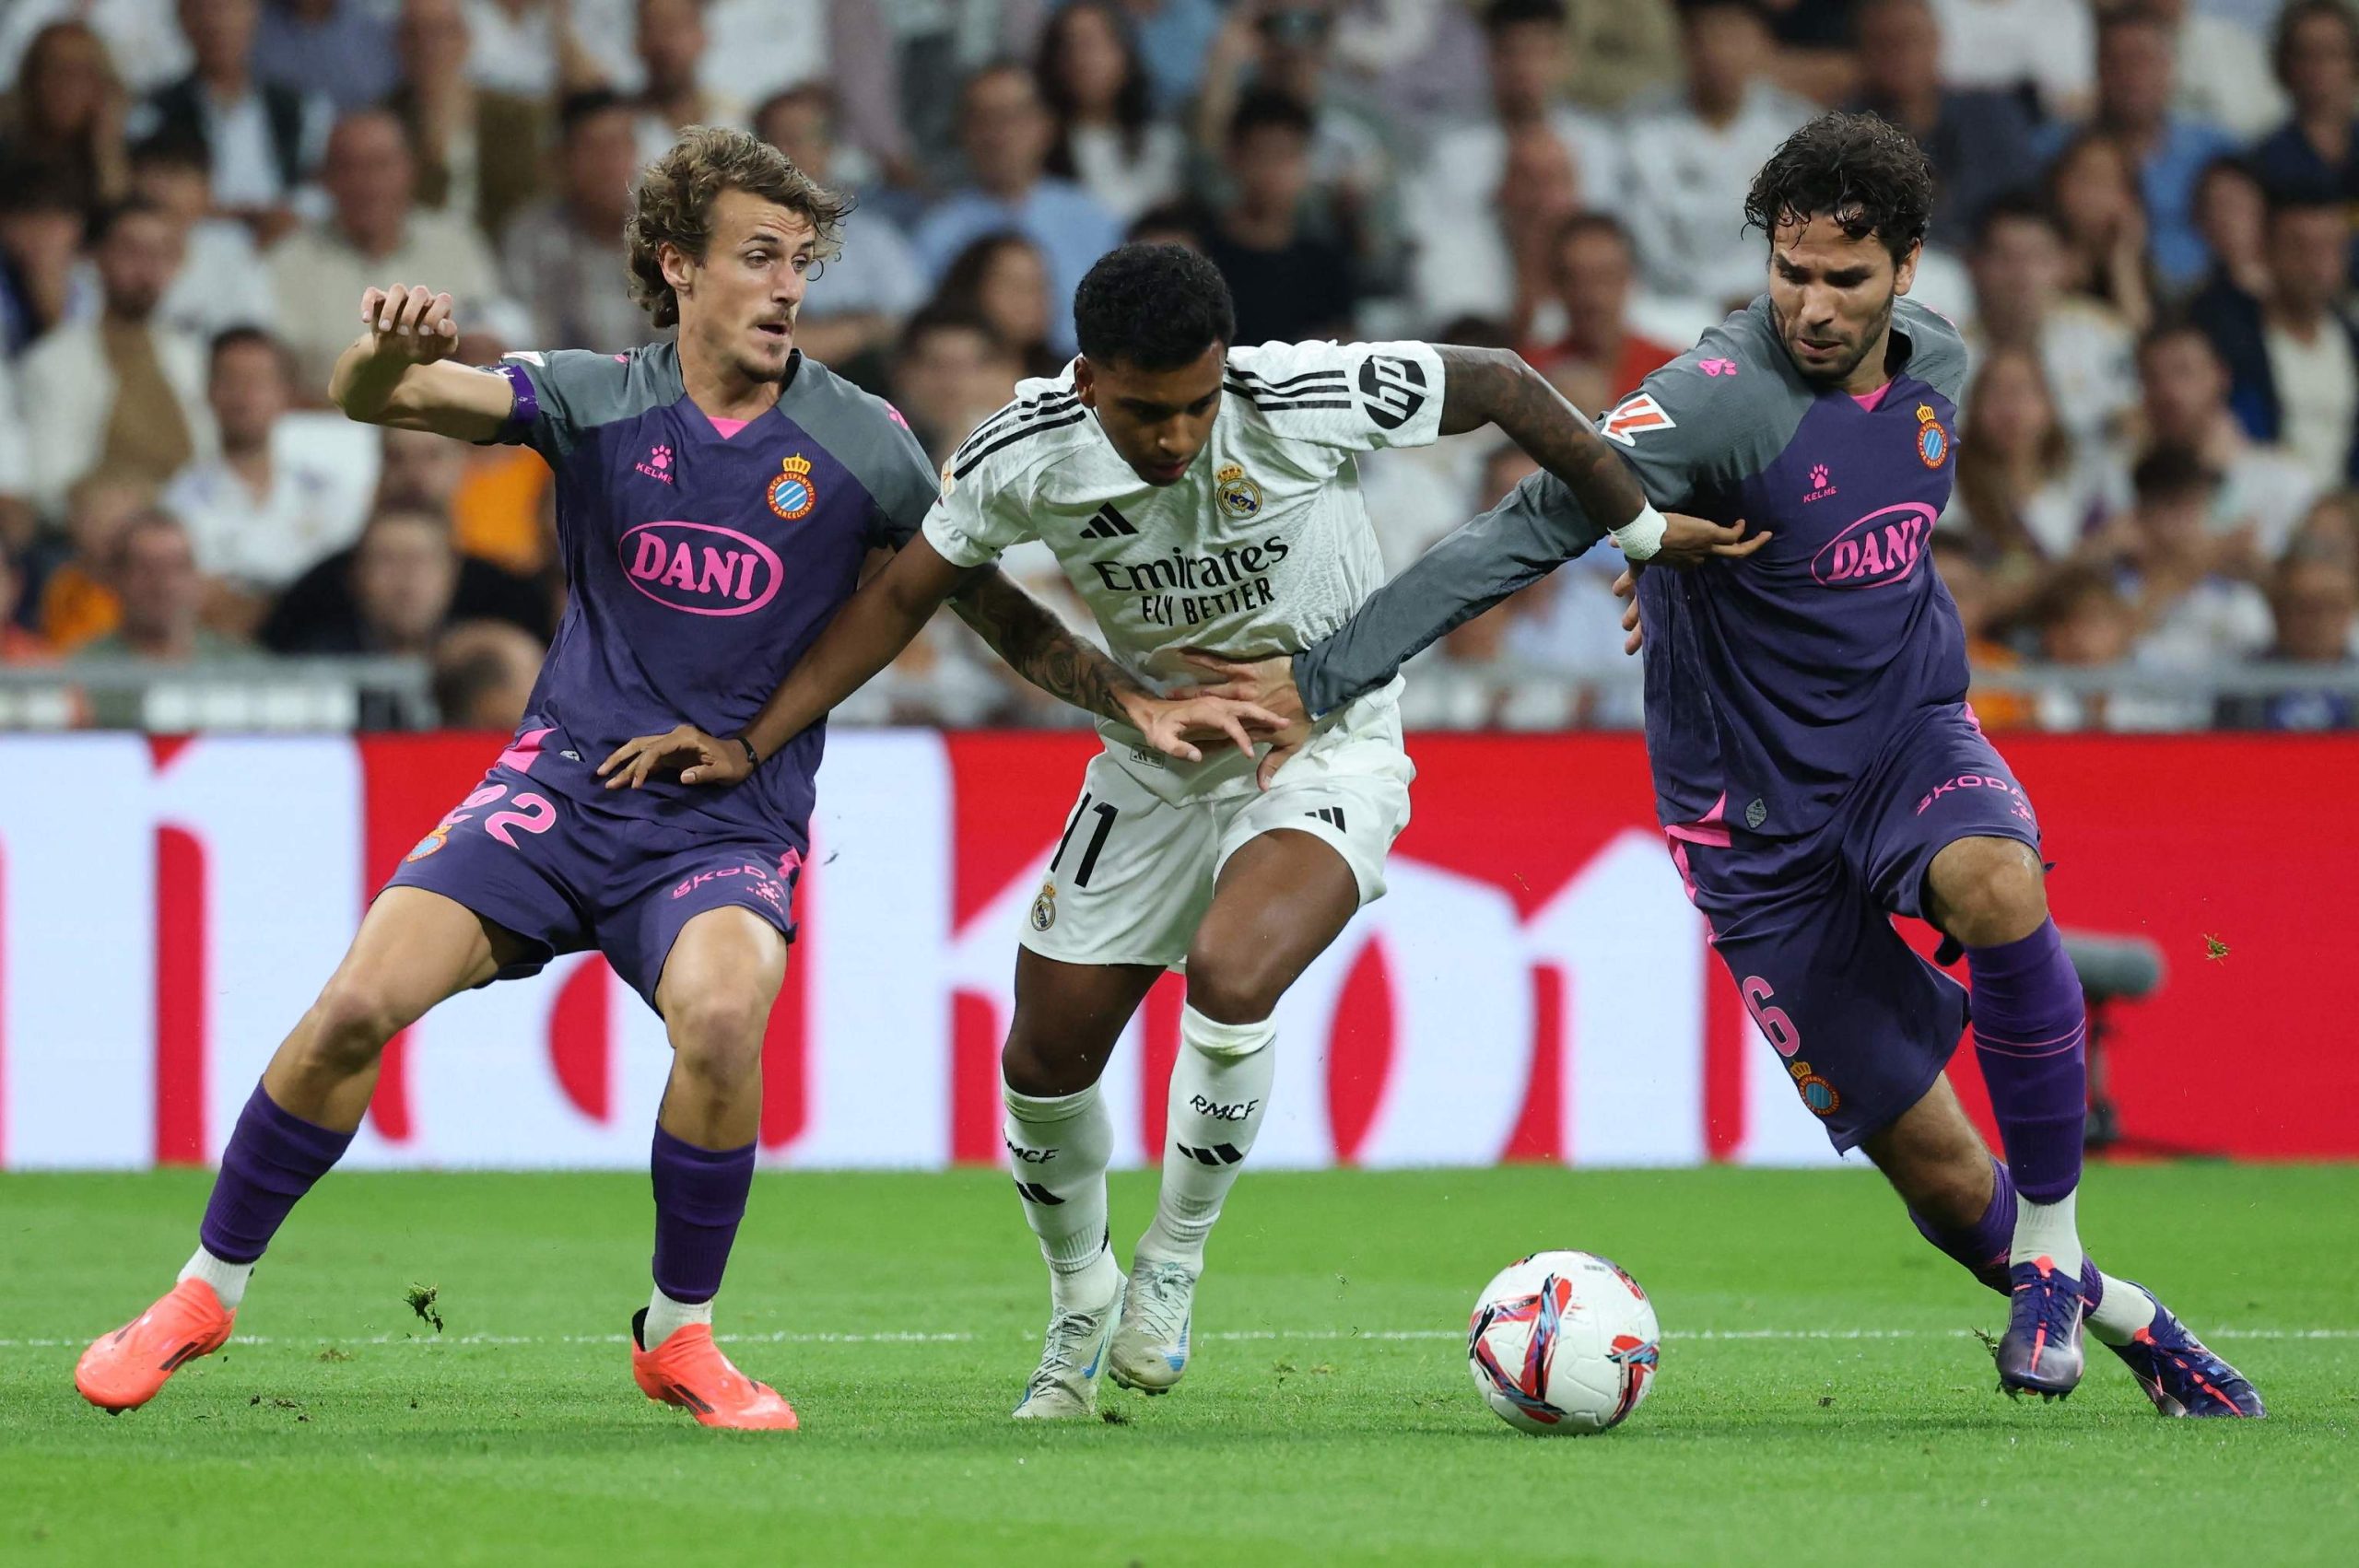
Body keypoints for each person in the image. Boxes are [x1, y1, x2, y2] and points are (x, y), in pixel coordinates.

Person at [71, 125, 1224, 1430]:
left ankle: (680, 1334)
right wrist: (388, 350)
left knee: (727, 1015)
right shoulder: (593, 393)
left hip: (726, 819)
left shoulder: (865, 441)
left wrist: (1117, 694)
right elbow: (379, 399)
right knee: (354, 1005)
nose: (787, 286)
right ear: (677, 265)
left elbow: (982, 606)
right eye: (756, 256)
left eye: (799, 261)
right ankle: (202, 1292)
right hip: (559, 787)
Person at [1197, 112, 2266, 1418]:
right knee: (1938, 1183)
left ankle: (2052, 1245)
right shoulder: (1712, 399)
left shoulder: (1942, 365)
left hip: (1904, 738)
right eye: (1790, 272)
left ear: (1909, 271)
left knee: (1999, 883)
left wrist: (1683, 572)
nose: (1812, 306)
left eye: (1845, 279)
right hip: (1752, 827)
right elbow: (1524, 529)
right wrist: (1322, 680)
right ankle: (2136, 1319)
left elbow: (1876, 526)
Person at [599, 240, 1751, 1420]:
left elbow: (1505, 380)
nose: (1179, 436)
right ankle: (1078, 1300)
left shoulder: (1298, 396)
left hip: (1327, 738)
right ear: (1088, 381)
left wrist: (1643, 533)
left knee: (1231, 967)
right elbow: (910, 593)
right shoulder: (1018, 453)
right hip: (1157, 762)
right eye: (1149, 412)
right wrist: (759, 738)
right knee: (1042, 1058)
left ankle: (1172, 1262)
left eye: (1199, 402)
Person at [268, 110, 499, 393]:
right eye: (349, 167)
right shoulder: (288, 261)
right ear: (326, 179)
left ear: (410, 170)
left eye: (380, 165)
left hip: (440, 422)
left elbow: (488, 347)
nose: (367, 183)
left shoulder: (457, 247)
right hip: (326, 423)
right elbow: (271, 377)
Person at [18, 199, 213, 520]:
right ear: (98, 257)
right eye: (132, 250)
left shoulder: (193, 357)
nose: (147, 268)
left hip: (198, 526)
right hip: (105, 533)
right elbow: (50, 488)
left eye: (161, 253)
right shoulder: (53, 362)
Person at [1035, 1, 1185, 223]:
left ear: (1125, 53)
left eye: (1093, 44)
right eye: (1068, 46)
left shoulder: (1162, 141)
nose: (1081, 59)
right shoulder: (1037, 145)